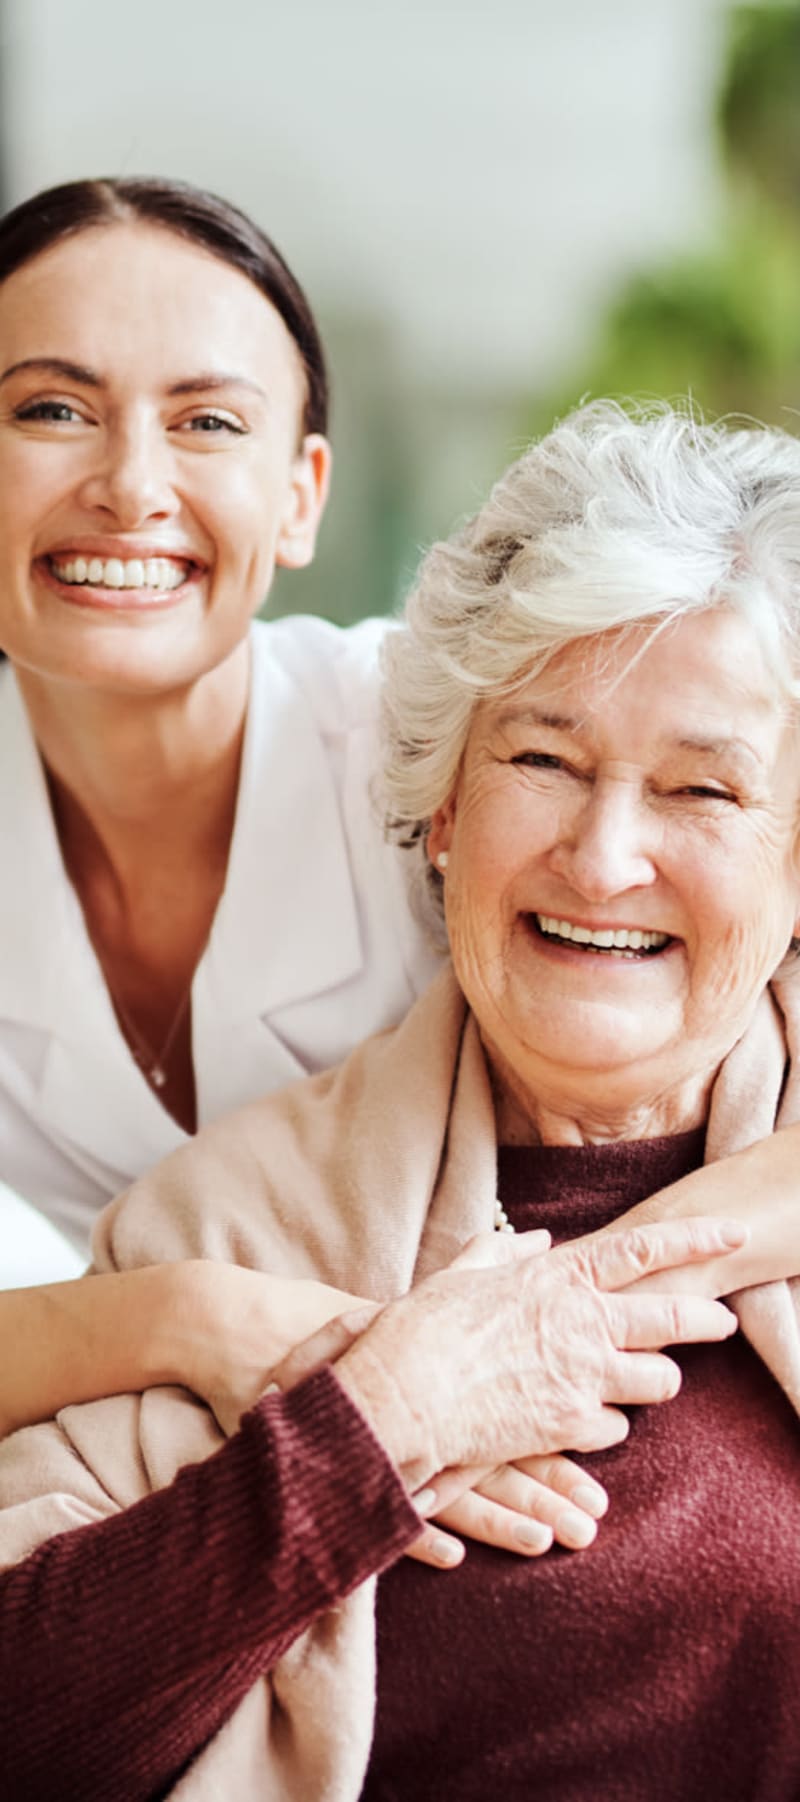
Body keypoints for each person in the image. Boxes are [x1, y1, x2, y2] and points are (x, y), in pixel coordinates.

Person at [2, 400, 800, 1801]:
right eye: (541, 759)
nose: (605, 857)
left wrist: (633, 1266)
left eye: (702, 789)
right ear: (440, 811)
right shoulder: (234, 1222)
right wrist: (372, 1425)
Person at [2, 172, 798, 1482]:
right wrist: (184, 1315)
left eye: (206, 420)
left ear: (304, 494)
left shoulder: (483, 733)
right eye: (51, 407)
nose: (130, 483)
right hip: (179, 1464)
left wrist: (548, 1320)